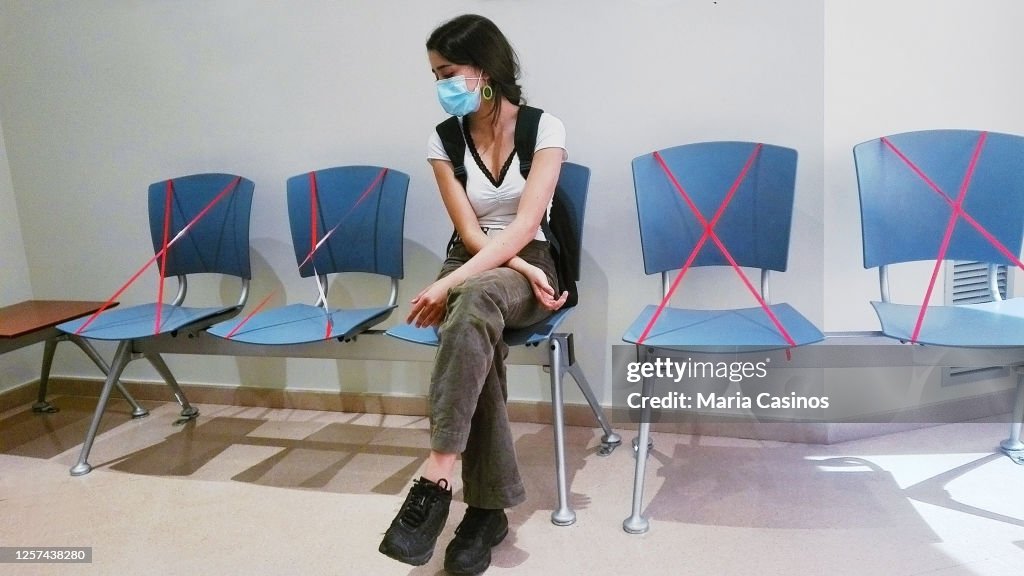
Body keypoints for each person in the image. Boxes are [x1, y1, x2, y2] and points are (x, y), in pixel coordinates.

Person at [378, 13, 568, 575]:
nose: (441, 84)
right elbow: (468, 233)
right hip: (478, 261)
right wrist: (463, 274)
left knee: (472, 301)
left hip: (530, 258)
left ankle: (437, 472)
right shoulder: (442, 139)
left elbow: (524, 224)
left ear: (484, 69)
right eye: (435, 74)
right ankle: (486, 511)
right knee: (474, 313)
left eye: (448, 71)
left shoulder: (544, 130)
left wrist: (461, 281)